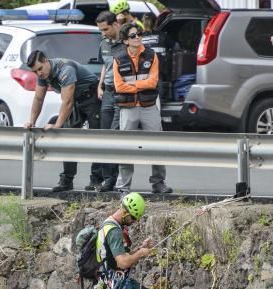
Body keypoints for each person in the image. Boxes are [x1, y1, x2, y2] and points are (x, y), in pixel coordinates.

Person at [24, 50, 105, 192]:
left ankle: (96, 180)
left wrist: (57, 125)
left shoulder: (65, 69)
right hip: (76, 101)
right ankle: (67, 180)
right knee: (68, 138)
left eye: (40, 69)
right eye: (35, 71)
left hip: (91, 97)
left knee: (96, 139)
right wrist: (31, 121)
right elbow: (38, 98)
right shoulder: (42, 75)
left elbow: (67, 102)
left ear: (46, 61)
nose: (39, 74)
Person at [113, 23, 173, 194]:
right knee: (126, 148)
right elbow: (119, 87)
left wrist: (132, 84)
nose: (137, 37)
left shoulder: (151, 55)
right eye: (133, 36)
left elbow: (153, 82)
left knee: (158, 145)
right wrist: (140, 86)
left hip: (149, 106)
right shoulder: (118, 58)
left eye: (139, 34)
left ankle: (158, 183)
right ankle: (123, 187)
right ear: (125, 40)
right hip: (128, 108)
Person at [95, 10, 123, 192]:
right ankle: (107, 179)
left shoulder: (127, 41)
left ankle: (116, 178)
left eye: (105, 29)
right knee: (104, 134)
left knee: (116, 134)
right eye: (100, 30)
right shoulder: (103, 44)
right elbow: (105, 66)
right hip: (107, 92)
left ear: (115, 25)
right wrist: (100, 85)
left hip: (122, 94)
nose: (103, 33)